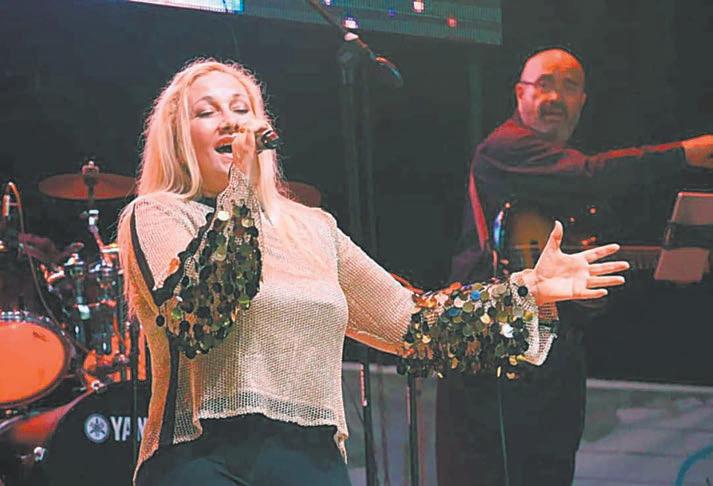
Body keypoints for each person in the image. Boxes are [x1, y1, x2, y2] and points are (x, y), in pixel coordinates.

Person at [116, 58, 629, 486]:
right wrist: (241, 194)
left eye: (241, 108)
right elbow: (199, 317)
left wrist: (528, 291)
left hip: (311, 459)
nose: (230, 122)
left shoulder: (313, 229)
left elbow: (414, 322)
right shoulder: (158, 215)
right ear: (179, 138)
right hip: (205, 456)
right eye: (207, 113)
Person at [438, 47, 713, 485]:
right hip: (492, 364)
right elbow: (591, 174)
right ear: (520, 94)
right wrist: (684, 153)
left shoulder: (569, 187)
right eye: (544, 84)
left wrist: (669, 260)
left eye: (569, 87)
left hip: (552, 367)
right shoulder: (504, 148)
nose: (555, 97)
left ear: (583, 101)